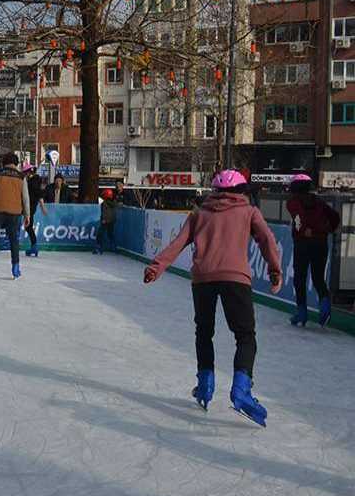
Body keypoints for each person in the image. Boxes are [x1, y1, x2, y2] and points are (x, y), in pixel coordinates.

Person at [144, 170, 283, 427]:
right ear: (242, 190)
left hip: (203, 279)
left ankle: (205, 384)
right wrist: (275, 271)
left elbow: (178, 242)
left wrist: (156, 267)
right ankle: (242, 389)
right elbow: (267, 241)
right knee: (245, 336)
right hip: (235, 278)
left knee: (204, 331)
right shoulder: (249, 211)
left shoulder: (199, 214)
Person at [286, 173, 341, 327]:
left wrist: (303, 230)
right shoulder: (319, 201)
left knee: (300, 277)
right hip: (321, 243)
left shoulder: (293, 203)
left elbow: (298, 220)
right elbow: (335, 216)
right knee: (318, 277)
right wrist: (328, 229)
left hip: (303, 244)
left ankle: (302, 312)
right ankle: (325, 304)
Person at [23, 165, 48, 257]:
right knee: (28, 226)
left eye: (25, 173)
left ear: (29, 173)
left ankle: (34, 246)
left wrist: (42, 207)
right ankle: (34, 246)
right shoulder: (34, 180)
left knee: (27, 226)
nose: (24, 175)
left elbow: (39, 194)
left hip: (29, 206)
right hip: (30, 206)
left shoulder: (33, 181)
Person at [94, 189, 119, 254]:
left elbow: (105, 212)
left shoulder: (104, 203)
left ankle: (99, 247)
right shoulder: (114, 202)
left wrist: (104, 219)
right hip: (111, 221)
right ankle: (113, 247)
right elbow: (113, 213)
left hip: (106, 221)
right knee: (110, 234)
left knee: (100, 234)